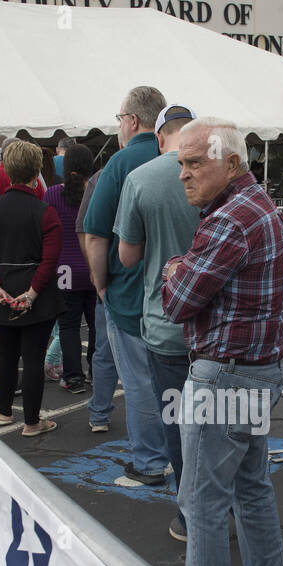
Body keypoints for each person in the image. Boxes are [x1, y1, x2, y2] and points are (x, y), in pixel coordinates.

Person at [163, 117, 283, 566]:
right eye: (182, 164)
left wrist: (175, 268)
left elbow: (178, 303)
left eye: (195, 163)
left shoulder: (228, 220)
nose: (184, 175)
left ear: (231, 163)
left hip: (225, 379)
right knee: (251, 485)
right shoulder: (256, 206)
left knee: (202, 504)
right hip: (256, 373)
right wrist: (182, 267)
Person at [115, 104, 200, 540]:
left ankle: (190, 516)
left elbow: (126, 256)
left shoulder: (140, 178)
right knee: (224, 421)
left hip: (165, 322)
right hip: (217, 326)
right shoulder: (217, 175)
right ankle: (229, 508)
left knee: (176, 422)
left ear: (160, 135)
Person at [81, 85, 170, 484]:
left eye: (119, 118)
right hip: (181, 294)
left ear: (132, 120)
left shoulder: (121, 163)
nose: (118, 126)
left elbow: (96, 234)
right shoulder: (182, 157)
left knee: (139, 384)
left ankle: (149, 462)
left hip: (131, 295)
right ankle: (181, 458)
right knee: (176, 381)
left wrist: (100, 286)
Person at [0, 139, 62, 437]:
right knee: (33, 358)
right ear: (37, 172)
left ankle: (3, 411)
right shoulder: (45, 212)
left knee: (7, 355)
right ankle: (33, 422)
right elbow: (50, 259)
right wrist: (34, 291)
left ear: (6, 171)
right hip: (38, 296)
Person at [44, 144, 96, 394]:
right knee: (97, 327)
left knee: (68, 327)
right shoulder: (98, 193)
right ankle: (96, 371)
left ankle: (72, 376)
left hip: (64, 271)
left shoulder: (52, 195)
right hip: (94, 268)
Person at [75, 166, 120, 433]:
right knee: (160, 357)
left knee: (106, 350)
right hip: (161, 277)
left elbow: (86, 231)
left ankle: (100, 414)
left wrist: (97, 275)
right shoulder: (177, 164)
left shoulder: (103, 175)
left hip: (114, 279)